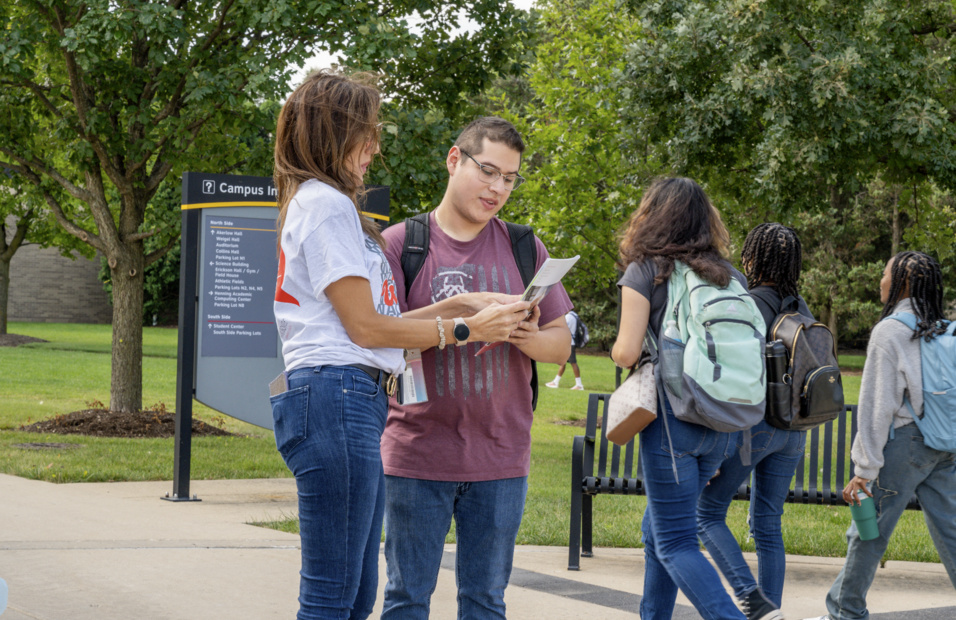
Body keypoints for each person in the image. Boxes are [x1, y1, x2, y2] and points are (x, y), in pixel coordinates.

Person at [270, 72, 532, 620]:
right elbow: (366, 330)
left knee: (355, 595)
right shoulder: (325, 206)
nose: (374, 148)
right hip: (336, 397)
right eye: (365, 134)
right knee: (331, 599)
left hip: (347, 401)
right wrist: (467, 331)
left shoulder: (326, 204)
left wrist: (460, 306)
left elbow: (371, 323)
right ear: (331, 134)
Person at [379, 116, 573, 619]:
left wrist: (527, 334)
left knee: (486, 602)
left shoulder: (526, 247)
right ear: (453, 159)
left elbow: (561, 346)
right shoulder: (402, 244)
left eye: (509, 178)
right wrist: (464, 311)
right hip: (416, 455)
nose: (497, 188)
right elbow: (379, 336)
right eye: (488, 171)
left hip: (502, 458)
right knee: (405, 600)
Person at [611, 176, 749, 620]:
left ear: (653, 216)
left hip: (673, 424)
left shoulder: (646, 271)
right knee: (658, 530)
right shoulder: (729, 276)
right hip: (724, 422)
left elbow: (627, 351)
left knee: (675, 542)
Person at [805, 251, 956, 620]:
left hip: (904, 446)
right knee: (952, 531)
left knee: (868, 532)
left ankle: (845, 611)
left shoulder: (891, 330)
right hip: (944, 444)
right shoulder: (943, 327)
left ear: (903, 282)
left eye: (886, 274)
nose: (880, 281)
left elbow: (876, 406)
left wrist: (865, 469)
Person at [696, 223, 810, 620]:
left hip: (753, 429)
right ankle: (772, 610)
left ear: (752, 259)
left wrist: (709, 449)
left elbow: (728, 378)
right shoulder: (800, 308)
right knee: (767, 524)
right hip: (794, 432)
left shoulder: (746, 304)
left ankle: (753, 600)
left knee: (705, 512)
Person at [546, 311, 585, 390]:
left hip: (569, 343)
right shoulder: (574, 315)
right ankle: (555, 382)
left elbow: (562, 329)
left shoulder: (568, 317)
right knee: (563, 362)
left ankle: (579, 385)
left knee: (573, 363)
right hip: (570, 342)